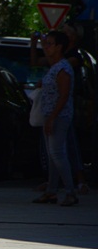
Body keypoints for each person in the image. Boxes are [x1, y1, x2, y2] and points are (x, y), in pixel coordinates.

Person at [32, 30, 78, 206]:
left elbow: (64, 95)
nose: (46, 47)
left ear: (59, 47)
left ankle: (70, 192)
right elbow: (34, 62)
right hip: (50, 115)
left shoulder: (63, 69)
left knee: (58, 154)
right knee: (52, 155)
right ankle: (51, 191)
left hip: (59, 116)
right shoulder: (54, 66)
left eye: (49, 44)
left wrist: (52, 118)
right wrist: (35, 44)